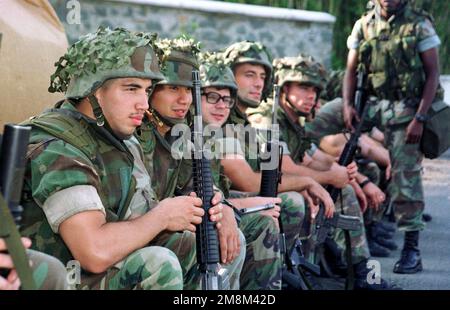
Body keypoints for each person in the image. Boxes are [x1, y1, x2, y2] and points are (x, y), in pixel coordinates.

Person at [19, 27, 224, 290]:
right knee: (157, 264)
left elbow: (138, 220)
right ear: (92, 91)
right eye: (131, 89)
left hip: (88, 268)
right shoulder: (58, 147)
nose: (144, 104)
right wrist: (163, 216)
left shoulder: (118, 138)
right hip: (54, 278)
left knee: (198, 246)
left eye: (147, 91)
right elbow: (94, 252)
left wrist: (199, 209)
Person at [248, 54, 397, 289]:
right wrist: (328, 178)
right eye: (304, 87)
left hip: (281, 185)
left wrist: (350, 175)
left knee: (344, 188)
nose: (312, 96)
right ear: (285, 88)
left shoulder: (294, 120)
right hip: (261, 189)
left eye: (315, 90)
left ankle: (355, 268)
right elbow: (285, 168)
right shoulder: (269, 117)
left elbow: (317, 159)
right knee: (303, 198)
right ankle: (315, 269)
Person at [135, 37, 247, 289]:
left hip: (160, 227)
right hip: (134, 232)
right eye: (173, 88)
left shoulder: (181, 134)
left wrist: (224, 208)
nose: (184, 99)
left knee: (230, 239)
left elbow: (193, 185)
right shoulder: (136, 134)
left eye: (188, 90)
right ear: (152, 90)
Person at [343, 0, 442, 274]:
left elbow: (433, 74)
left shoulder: (419, 24)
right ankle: (367, 230)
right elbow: (351, 69)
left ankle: (412, 248)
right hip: (372, 105)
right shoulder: (363, 24)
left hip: (407, 109)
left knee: (405, 175)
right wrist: (347, 105)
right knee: (340, 151)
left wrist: (419, 118)